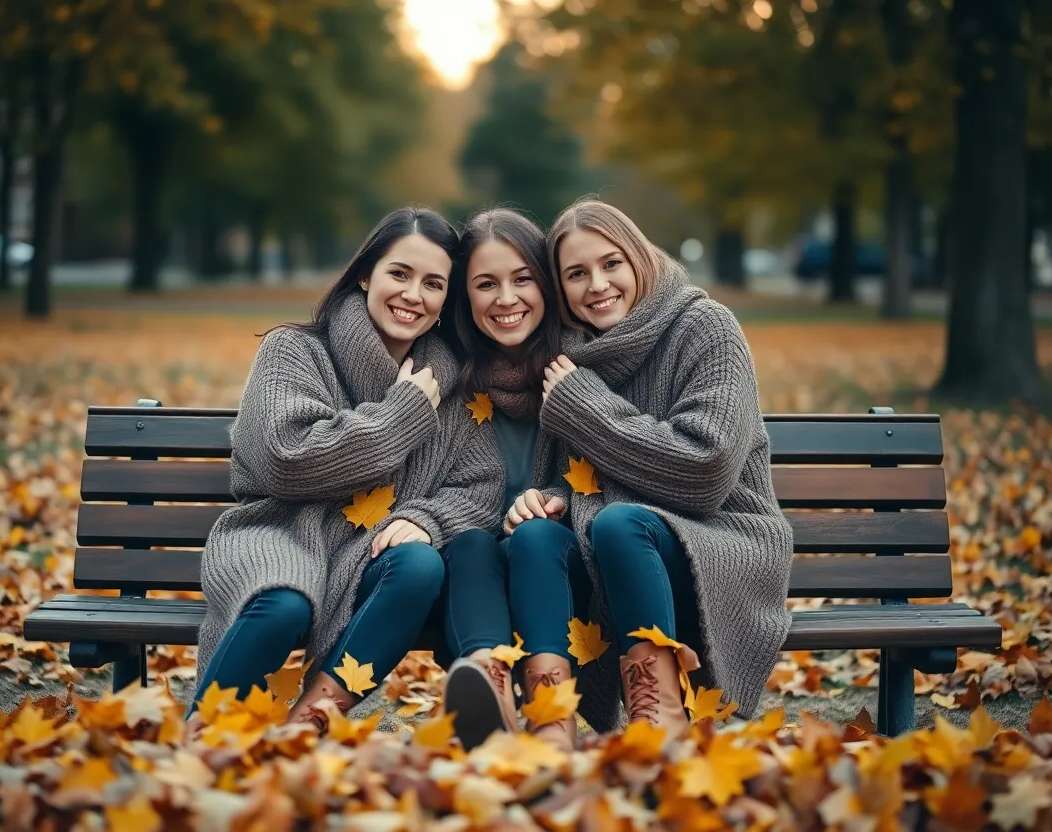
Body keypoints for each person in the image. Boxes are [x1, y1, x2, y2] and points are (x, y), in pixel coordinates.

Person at [190, 206, 503, 730]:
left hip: (370, 554)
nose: (413, 295)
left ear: (446, 299)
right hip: (280, 534)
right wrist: (402, 415)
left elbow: (480, 486)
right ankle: (200, 733)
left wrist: (426, 520)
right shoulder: (294, 350)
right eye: (399, 274)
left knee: (420, 565)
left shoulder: (454, 384)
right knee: (284, 605)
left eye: (433, 284)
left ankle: (309, 721)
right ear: (365, 275)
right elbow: (285, 460)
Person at [505, 196, 794, 739]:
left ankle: (658, 716)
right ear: (559, 287)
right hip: (613, 546)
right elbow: (577, 475)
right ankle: (550, 718)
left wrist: (586, 409)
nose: (597, 285)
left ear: (639, 258)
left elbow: (705, 471)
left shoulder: (706, 327)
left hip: (718, 540)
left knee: (620, 522)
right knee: (537, 536)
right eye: (576, 273)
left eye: (611, 263)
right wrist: (548, 497)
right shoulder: (569, 353)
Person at [438, 207, 619, 752]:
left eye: (522, 279)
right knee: (470, 543)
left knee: (536, 536)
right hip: (472, 579)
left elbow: (617, 474)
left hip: (563, 571)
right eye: (485, 284)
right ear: (464, 296)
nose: (506, 298)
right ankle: (490, 694)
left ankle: (551, 716)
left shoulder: (583, 366)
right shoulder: (447, 377)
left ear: (546, 285)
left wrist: (558, 499)